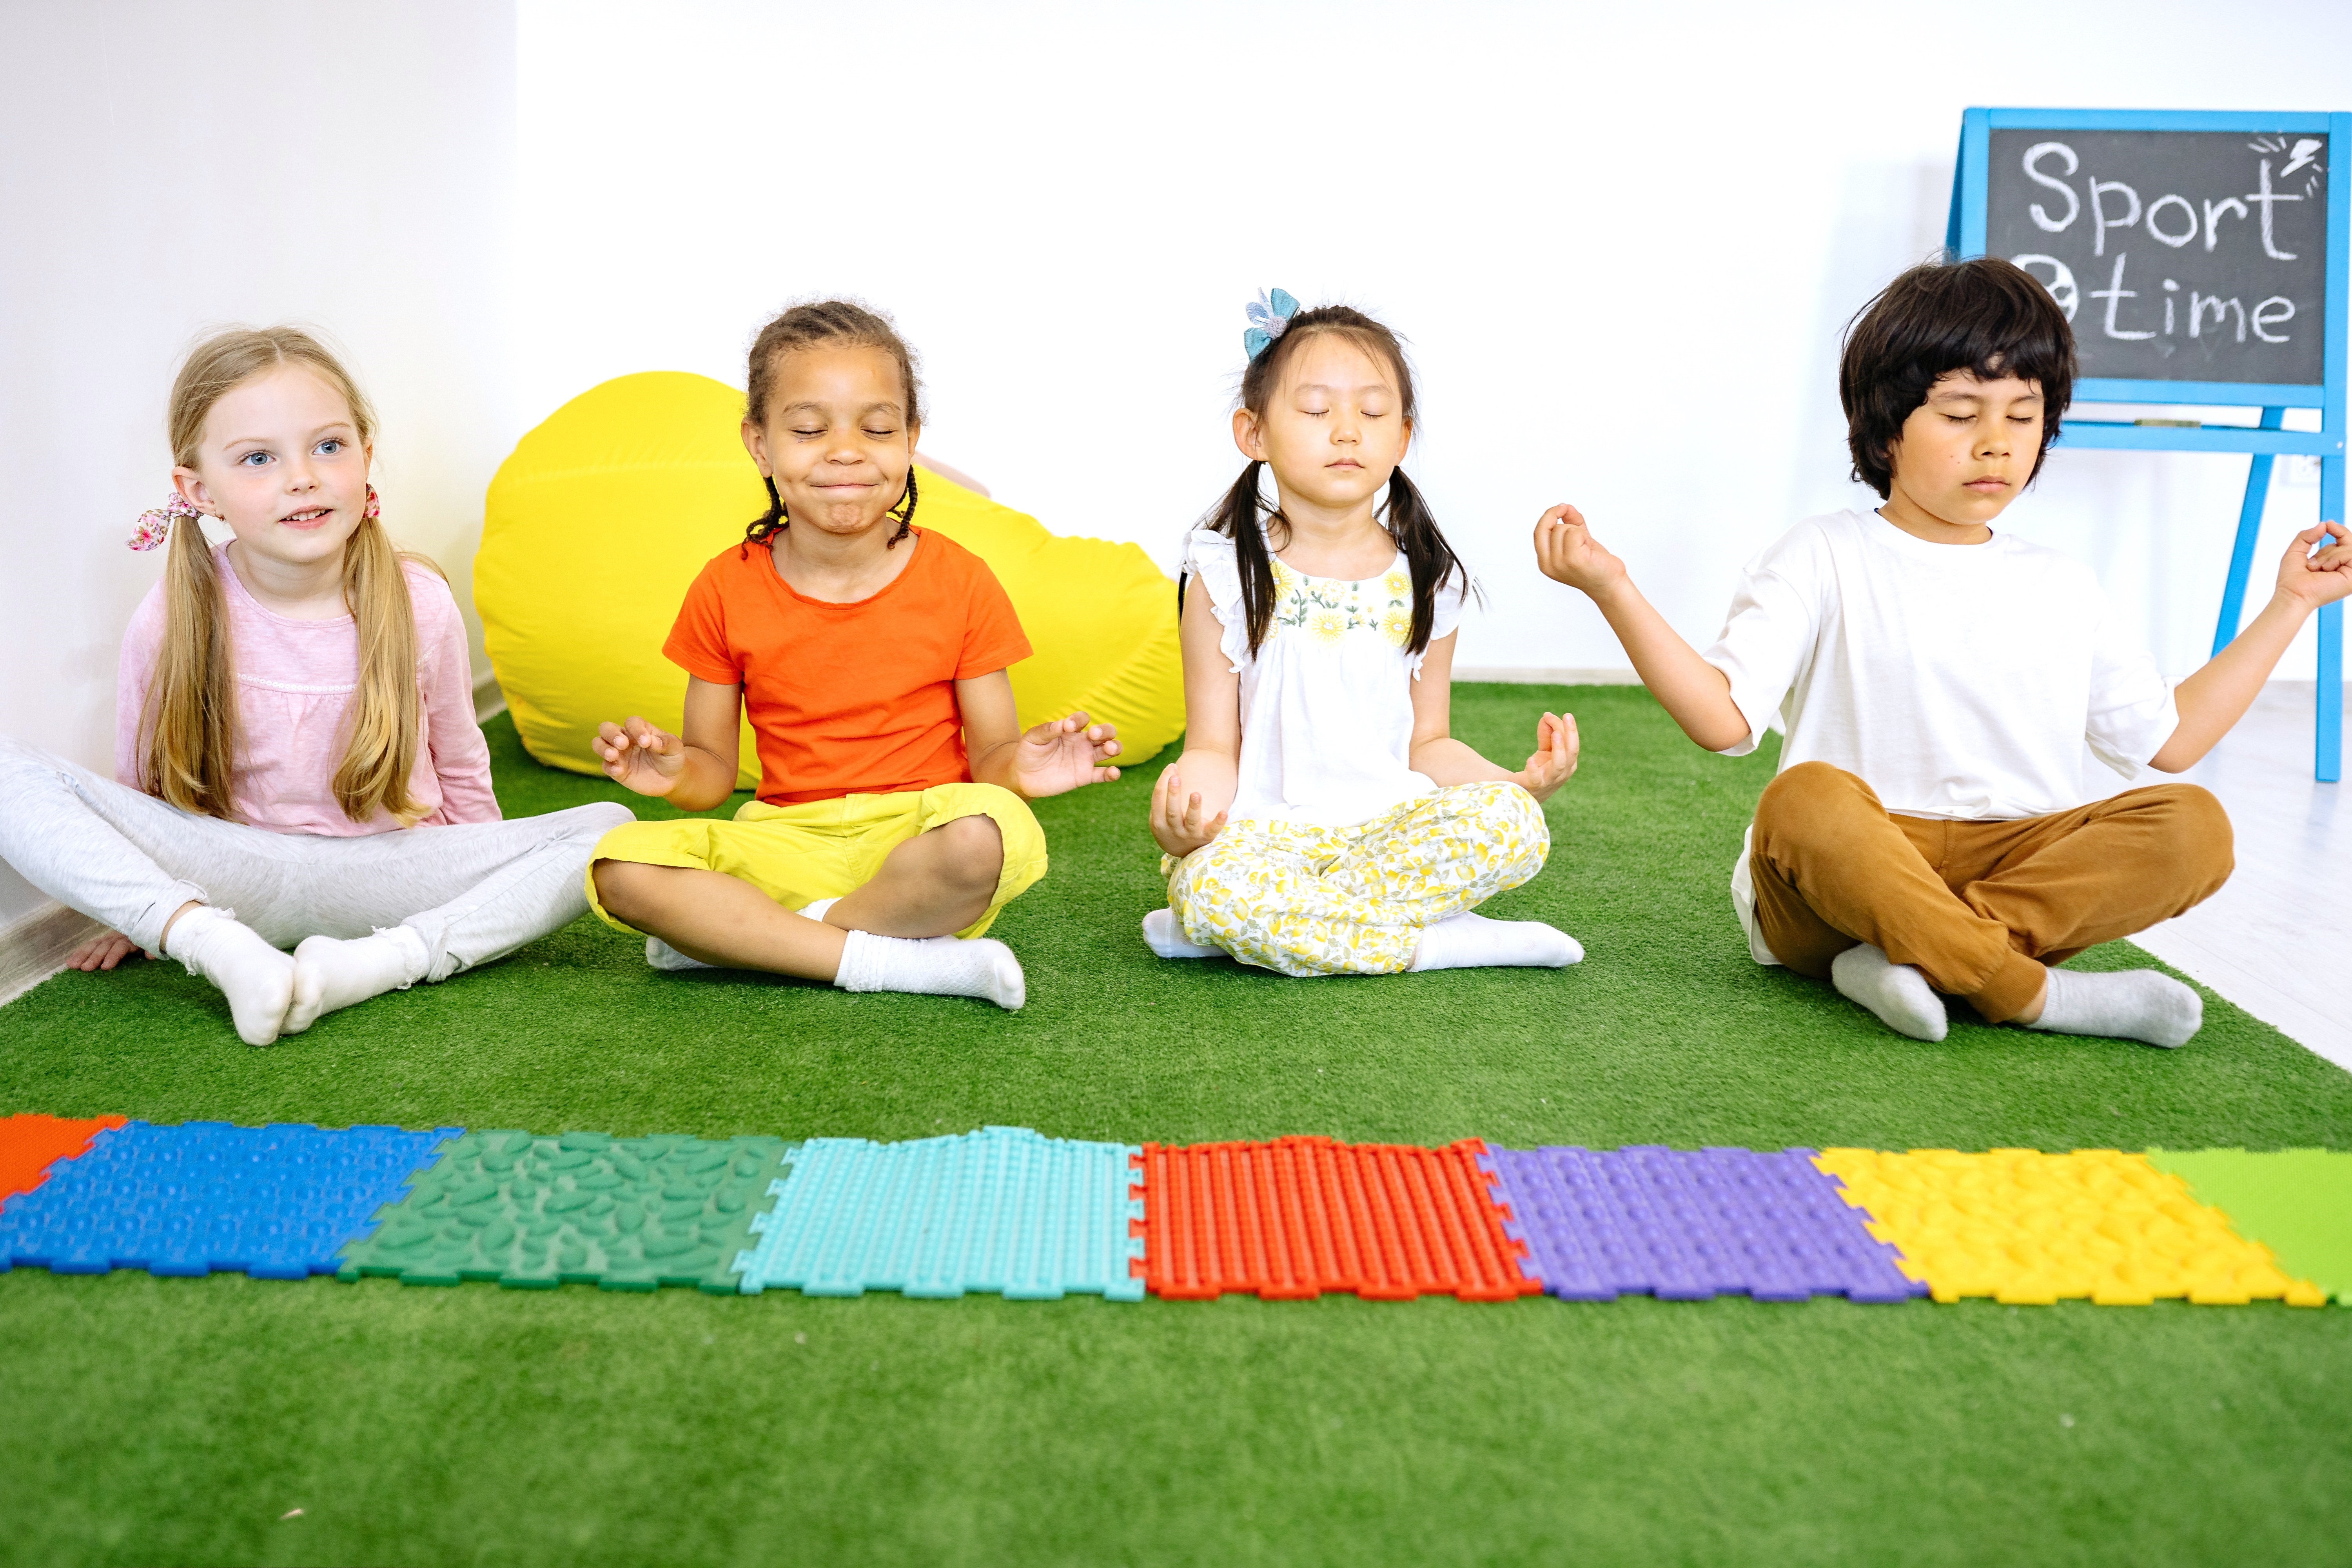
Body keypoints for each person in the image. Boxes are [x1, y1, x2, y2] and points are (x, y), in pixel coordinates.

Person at [1533, 255, 2352, 1047]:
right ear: (1886, 431)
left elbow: (2172, 742)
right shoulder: (1821, 553)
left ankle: (1907, 959)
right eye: (1962, 415)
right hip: (1847, 876)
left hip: (2014, 861)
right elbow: (1722, 720)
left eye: (2022, 416)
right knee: (1803, 800)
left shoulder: (2063, 583)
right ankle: (2027, 991)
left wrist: (2290, 605)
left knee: (2196, 827)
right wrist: (1615, 588)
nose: (1996, 442)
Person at [0, 327, 630, 1045]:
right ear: (198, 491)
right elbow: (142, 787)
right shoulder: (175, 612)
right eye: (259, 459)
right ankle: (214, 947)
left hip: (388, 876)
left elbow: (461, 760)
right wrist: (140, 912)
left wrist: (482, 875)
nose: (302, 476)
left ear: (366, 455)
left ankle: (374, 965)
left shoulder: (418, 600)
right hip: (234, 878)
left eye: (328, 446)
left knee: (609, 827)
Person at [586, 300, 1118, 1010]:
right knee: (619, 869)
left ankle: (760, 940)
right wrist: (676, 771)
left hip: (919, 842)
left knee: (987, 835)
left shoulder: (962, 580)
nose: (845, 450)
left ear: (910, 440)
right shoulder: (723, 586)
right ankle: (905, 961)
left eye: (877, 428)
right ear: (760, 445)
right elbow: (712, 777)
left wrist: (1022, 765)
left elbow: (993, 762)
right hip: (783, 839)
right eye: (809, 429)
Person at [1143, 292, 1580, 977]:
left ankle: (1261, 928)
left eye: (1372, 413)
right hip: (1269, 837)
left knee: (1513, 824)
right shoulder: (1226, 576)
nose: (1347, 431)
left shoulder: (1429, 581)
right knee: (1211, 883)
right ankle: (1442, 943)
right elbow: (1211, 745)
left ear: (1401, 438)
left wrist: (1517, 781)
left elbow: (1427, 744)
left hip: (1388, 830)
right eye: (1317, 411)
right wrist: (1188, 818)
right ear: (1252, 433)